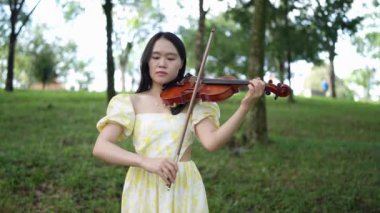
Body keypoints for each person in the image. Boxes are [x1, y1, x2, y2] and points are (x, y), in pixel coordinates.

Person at [92, 32, 265, 213]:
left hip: (183, 185)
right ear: (147, 61)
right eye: (156, 57)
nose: (162, 63)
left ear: (181, 63)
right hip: (144, 186)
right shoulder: (130, 102)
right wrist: (145, 161)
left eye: (171, 58)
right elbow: (101, 147)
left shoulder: (193, 100)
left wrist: (245, 106)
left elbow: (212, 142)